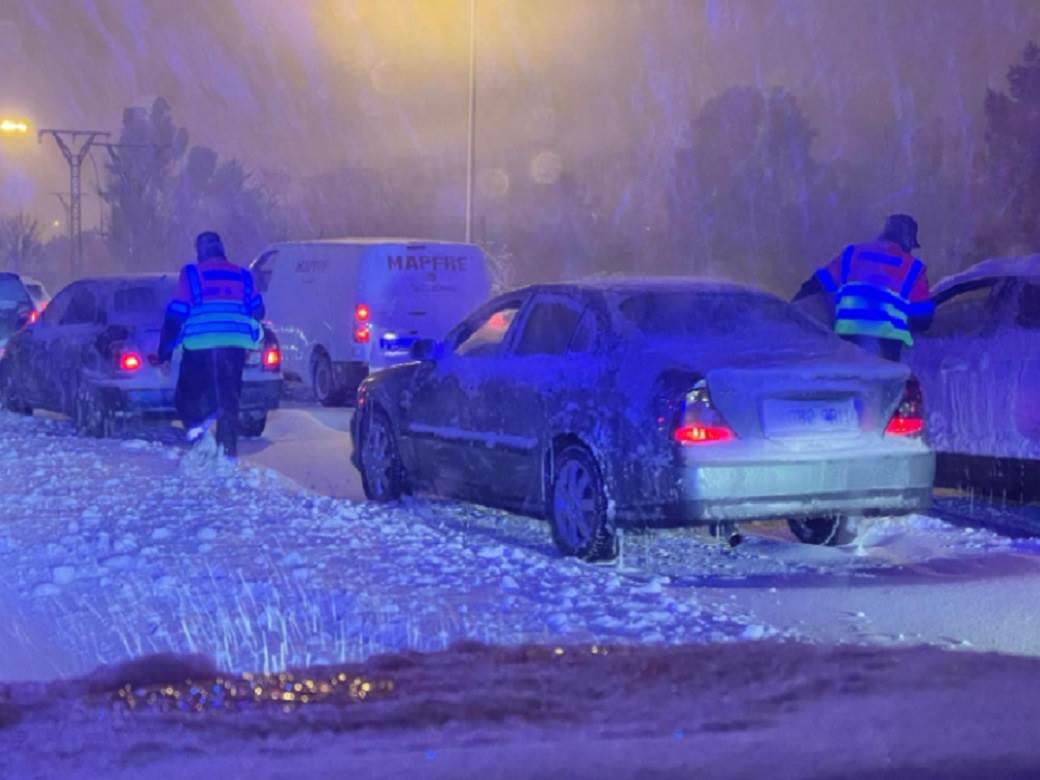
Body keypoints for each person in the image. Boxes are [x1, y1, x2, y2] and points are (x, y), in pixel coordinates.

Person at [158, 231, 265, 457]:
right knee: (229, 399)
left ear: (199, 251)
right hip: (234, 347)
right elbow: (258, 310)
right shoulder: (243, 275)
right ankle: (228, 452)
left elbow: (176, 314)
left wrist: (165, 353)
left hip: (200, 347)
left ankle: (200, 434)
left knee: (187, 397)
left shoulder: (191, 275)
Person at [796, 214, 933, 361]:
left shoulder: (852, 253)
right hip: (887, 342)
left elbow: (819, 282)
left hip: (847, 334)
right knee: (888, 378)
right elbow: (923, 317)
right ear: (909, 241)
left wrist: (792, 310)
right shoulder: (913, 267)